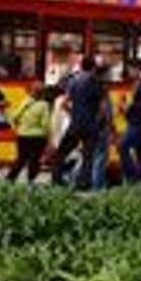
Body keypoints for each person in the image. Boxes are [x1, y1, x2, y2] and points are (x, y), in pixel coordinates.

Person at [49, 55, 105, 186]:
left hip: (76, 124)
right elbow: (102, 109)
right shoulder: (98, 83)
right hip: (91, 125)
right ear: (94, 68)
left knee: (62, 152)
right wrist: (99, 122)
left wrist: (73, 113)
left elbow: (64, 103)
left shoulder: (73, 81)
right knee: (88, 155)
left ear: (81, 66)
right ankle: (84, 182)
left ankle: (56, 179)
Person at [8, 83, 51, 184]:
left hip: (22, 135)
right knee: (34, 159)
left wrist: (16, 129)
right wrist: (48, 137)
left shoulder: (25, 102)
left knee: (21, 159)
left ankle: (10, 178)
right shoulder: (44, 105)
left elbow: (14, 117)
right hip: (38, 137)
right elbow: (45, 124)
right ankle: (31, 180)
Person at [90, 82, 118, 190]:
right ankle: (97, 185)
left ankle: (91, 182)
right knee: (100, 158)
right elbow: (108, 117)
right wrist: (113, 132)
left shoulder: (91, 99)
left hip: (91, 131)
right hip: (101, 131)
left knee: (93, 157)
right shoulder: (105, 100)